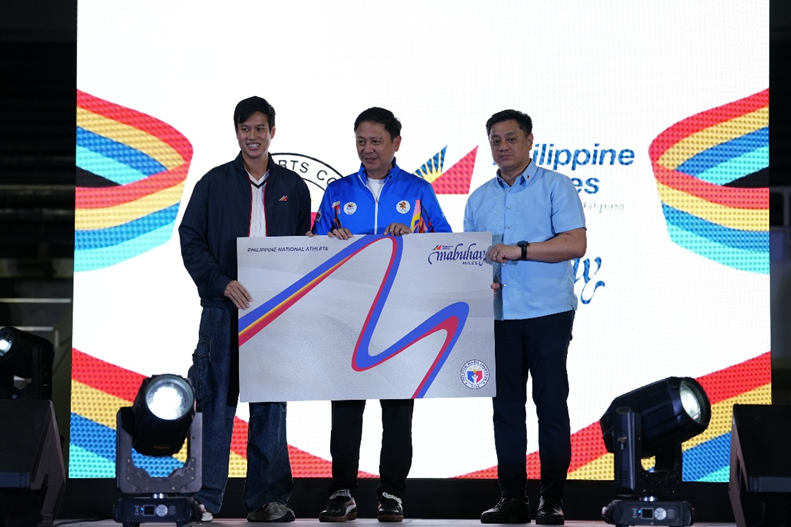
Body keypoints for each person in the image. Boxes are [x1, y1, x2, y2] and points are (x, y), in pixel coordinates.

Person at [311, 107, 452, 523]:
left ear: (396, 143)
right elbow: (313, 248)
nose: (367, 149)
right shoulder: (338, 191)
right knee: (345, 411)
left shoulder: (418, 190)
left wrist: (415, 237)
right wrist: (330, 239)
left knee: (397, 413)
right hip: (347, 318)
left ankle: (391, 494)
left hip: (401, 319)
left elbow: (446, 245)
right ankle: (342, 493)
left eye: (376, 141)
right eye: (361, 141)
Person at [179, 96, 311, 523]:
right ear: (236, 132)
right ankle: (203, 498)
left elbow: (303, 247)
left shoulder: (294, 187)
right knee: (214, 403)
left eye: (259, 129)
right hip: (222, 310)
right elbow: (190, 239)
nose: (252, 136)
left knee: (271, 406)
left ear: (272, 132)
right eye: (245, 129)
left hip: (274, 314)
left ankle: (267, 500)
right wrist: (222, 282)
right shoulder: (213, 183)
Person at [463, 109, 586, 525]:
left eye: (511, 139)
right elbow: (470, 260)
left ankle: (552, 499)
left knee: (550, 406)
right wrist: (480, 282)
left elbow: (575, 243)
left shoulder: (556, 185)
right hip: (498, 317)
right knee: (506, 412)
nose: (503, 147)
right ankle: (512, 498)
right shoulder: (479, 197)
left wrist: (521, 250)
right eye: (495, 140)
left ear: (530, 141)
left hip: (547, 313)